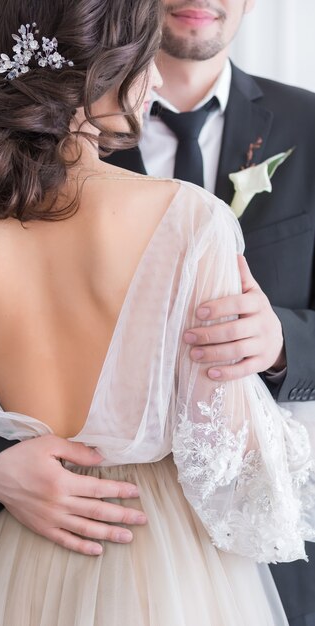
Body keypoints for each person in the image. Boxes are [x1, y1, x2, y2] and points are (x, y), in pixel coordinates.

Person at [0, 0, 313, 623]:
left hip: (3, 559)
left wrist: (281, 342)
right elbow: (227, 464)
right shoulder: (191, 215)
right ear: (116, 62)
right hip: (156, 549)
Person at [103, 2, 315, 624]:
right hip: (110, 527)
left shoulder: (311, 124)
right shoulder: (65, 132)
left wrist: (283, 343)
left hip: (274, 537)